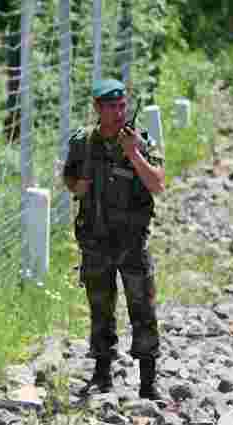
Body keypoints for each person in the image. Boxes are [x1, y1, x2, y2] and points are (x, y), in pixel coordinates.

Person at [63, 79, 165, 400]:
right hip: (95, 242)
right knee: (100, 309)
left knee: (142, 309)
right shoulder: (84, 143)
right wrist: (79, 186)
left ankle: (148, 383)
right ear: (97, 108)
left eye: (122, 106)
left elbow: (157, 183)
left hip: (132, 244)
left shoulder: (140, 141)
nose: (119, 112)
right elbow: (70, 177)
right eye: (111, 106)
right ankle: (101, 374)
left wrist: (133, 153)